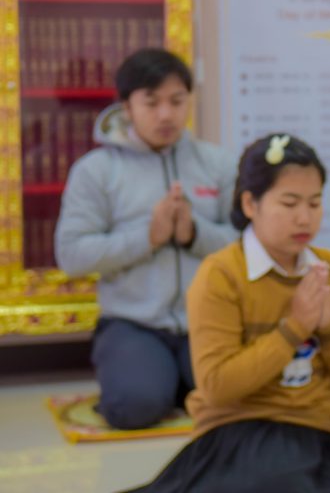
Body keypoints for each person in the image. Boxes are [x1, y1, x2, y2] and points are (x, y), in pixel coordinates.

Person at [128, 134, 330, 493]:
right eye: (289, 203)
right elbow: (217, 386)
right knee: (283, 483)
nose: (304, 217)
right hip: (237, 436)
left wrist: (329, 327)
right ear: (250, 203)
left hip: (315, 437)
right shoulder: (221, 273)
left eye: (315, 203)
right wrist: (294, 328)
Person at [55, 48, 238, 429]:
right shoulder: (96, 171)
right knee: (134, 407)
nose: (166, 114)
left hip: (207, 319)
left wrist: (194, 235)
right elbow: (71, 255)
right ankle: (159, 377)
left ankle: (174, 378)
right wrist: (148, 238)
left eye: (177, 101)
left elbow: (246, 246)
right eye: (151, 103)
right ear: (127, 106)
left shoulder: (217, 163)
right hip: (132, 322)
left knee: (238, 400)